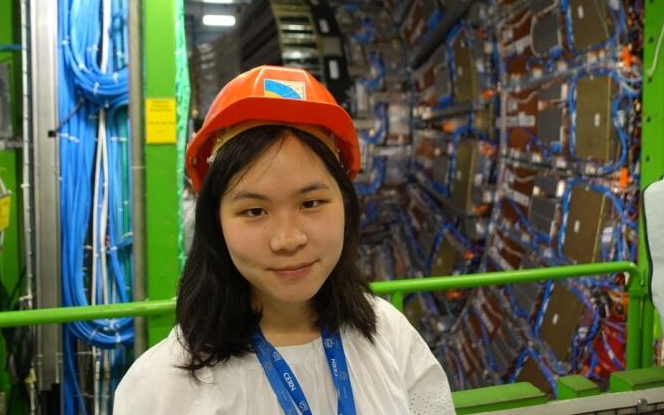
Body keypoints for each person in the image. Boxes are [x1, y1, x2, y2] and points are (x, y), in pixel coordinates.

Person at [114, 66, 455, 414]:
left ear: (347, 206)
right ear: (214, 223)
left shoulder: (389, 335)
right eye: (254, 211)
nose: (288, 240)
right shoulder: (163, 387)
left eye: (311, 203)